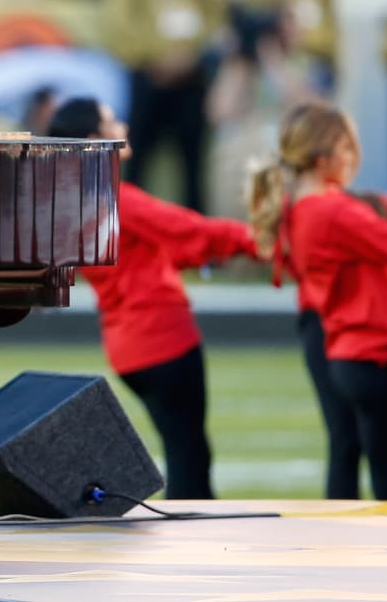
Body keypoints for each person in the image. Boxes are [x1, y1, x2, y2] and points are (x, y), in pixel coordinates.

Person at [47, 98, 258, 499]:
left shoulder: (74, 199)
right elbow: (190, 230)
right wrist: (263, 240)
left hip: (126, 343)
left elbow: (163, 248)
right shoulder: (115, 195)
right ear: (94, 139)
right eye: (111, 121)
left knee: (184, 448)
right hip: (162, 336)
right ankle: (193, 549)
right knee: (190, 454)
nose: (122, 125)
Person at [249, 103, 387, 499]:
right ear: (322, 156)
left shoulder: (311, 206)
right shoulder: (331, 211)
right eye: (347, 147)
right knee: (369, 458)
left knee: (353, 448)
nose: (354, 156)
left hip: (343, 339)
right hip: (360, 343)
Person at [104, 0, 224, 212]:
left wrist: (192, 56)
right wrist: (151, 58)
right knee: (137, 157)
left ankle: (200, 245)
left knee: (193, 161)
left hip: (192, 76)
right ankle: (128, 233)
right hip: (148, 75)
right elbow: (119, 16)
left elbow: (217, 15)